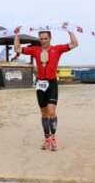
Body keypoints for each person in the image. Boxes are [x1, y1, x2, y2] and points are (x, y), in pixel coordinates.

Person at [14, 22, 78, 151]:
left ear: (50, 38)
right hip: (40, 84)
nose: (43, 41)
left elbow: (74, 44)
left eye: (46, 39)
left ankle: (53, 139)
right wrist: (17, 34)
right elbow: (17, 49)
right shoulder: (35, 50)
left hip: (52, 83)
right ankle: (46, 138)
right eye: (41, 39)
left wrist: (69, 30)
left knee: (51, 111)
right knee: (43, 113)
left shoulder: (57, 49)